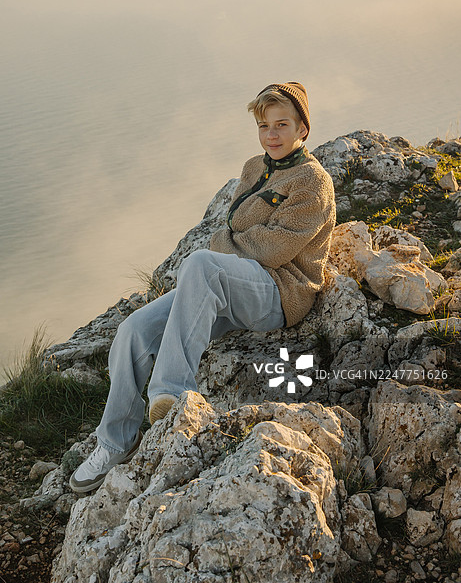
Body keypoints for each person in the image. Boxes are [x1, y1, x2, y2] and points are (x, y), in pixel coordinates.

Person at [69, 82, 336, 494]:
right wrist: (232, 242)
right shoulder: (254, 167)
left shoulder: (312, 181)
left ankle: (172, 393)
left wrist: (226, 244)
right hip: (233, 283)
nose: (272, 135)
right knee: (133, 331)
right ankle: (115, 442)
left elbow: (274, 249)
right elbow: (234, 228)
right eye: (264, 126)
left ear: (303, 128)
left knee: (201, 264)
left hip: (279, 293)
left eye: (282, 125)